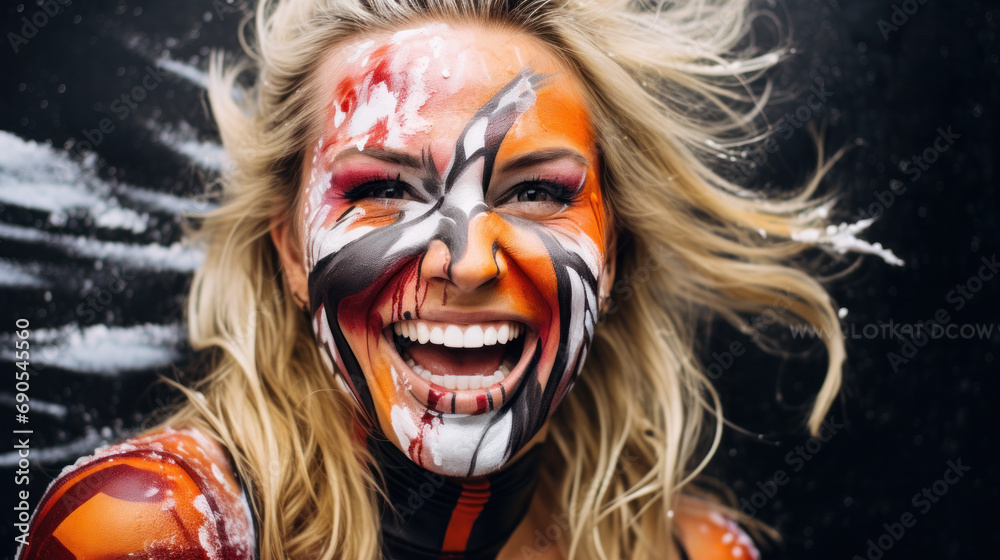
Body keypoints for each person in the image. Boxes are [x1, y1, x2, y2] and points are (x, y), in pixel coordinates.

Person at [16, 0, 850, 558]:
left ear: (615, 245)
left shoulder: (696, 551)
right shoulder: (143, 530)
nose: (471, 261)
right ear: (292, 251)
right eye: (382, 190)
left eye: (535, 193)